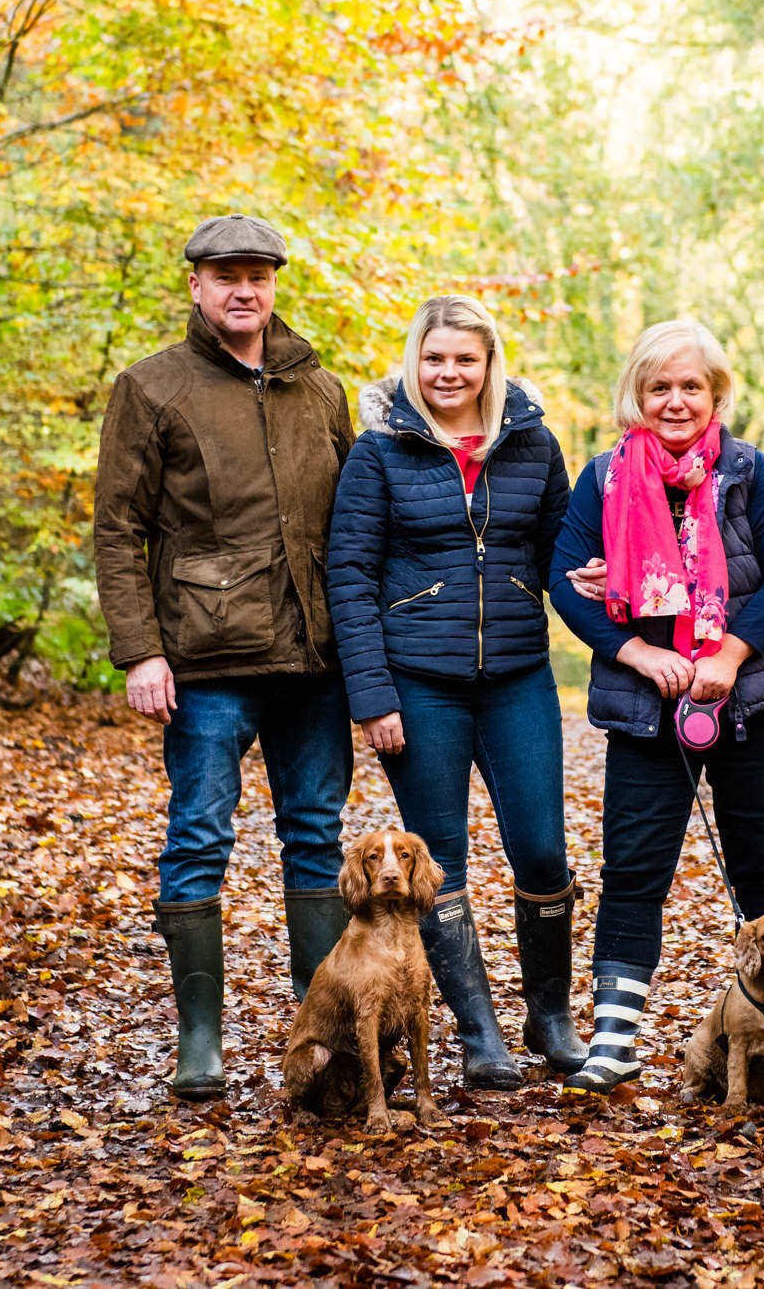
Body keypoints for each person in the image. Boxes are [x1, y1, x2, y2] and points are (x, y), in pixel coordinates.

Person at [91, 214, 358, 1103]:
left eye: (258, 274)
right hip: (204, 662)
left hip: (312, 662)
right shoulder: (151, 387)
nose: (244, 290)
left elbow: (355, 528)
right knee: (199, 836)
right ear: (195, 285)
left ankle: (319, 1038)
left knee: (315, 841)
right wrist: (139, 651)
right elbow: (118, 529)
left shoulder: (318, 387)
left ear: (275, 283)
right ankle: (198, 1040)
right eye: (225, 275)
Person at [324, 296, 588, 1089]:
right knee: (439, 865)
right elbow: (349, 576)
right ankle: (479, 1034)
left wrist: (597, 579)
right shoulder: (379, 454)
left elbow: (561, 550)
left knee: (542, 850)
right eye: (434, 359)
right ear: (415, 362)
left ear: (488, 364)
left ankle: (551, 1016)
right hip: (417, 685)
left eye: (464, 360)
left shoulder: (532, 444)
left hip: (517, 678)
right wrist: (371, 696)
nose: (448, 373)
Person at [544, 318, 764, 1095]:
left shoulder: (750, 473)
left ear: (716, 392)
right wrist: (638, 652)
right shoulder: (602, 481)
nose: (675, 400)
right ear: (637, 393)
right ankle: (615, 1042)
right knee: (634, 871)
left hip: (754, 702)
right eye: (658, 385)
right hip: (645, 707)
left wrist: (728, 655)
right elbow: (564, 581)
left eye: (690, 385)